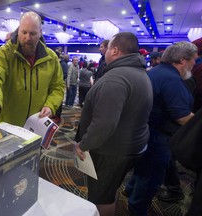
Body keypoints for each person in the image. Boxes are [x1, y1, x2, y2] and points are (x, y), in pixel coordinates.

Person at [74, 32, 153, 216]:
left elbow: (104, 124)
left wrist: (84, 144)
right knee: (109, 191)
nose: (105, 52)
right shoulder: (139, 73)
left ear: (115, 50)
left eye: (108, 48)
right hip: (129, 146)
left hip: (111, 151)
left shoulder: (115, 78)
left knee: (100, 198)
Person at [125, 41, 197, 216]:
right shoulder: (171, 79)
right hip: (158, 137)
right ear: (182, 59)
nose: (195, 64)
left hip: (145, 131)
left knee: (142, 172)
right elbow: (181, 117)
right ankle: (137, 210)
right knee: (150, 179)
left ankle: (130, 192)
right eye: (194, 60)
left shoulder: (155, 72)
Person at [0, 11, 64, 127]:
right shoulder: (6, 53)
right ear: (18, 31)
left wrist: (50, 105)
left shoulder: (51, 58)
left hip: (36, 125)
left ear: (40, 33)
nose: (27, 38)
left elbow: (58, 86)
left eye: (33, 33)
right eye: (24, 32)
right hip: (9, 126)